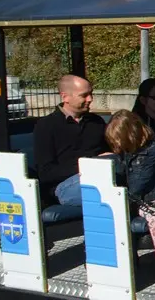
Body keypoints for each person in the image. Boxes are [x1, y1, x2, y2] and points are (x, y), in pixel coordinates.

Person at [104, 110, 155, 291]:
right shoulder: (128, 154)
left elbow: (139, 183)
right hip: (147, 205)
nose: (117, 146)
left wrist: (125, 194)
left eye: (118, 140)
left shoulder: (152, 152)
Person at [32, 75, 107, 206]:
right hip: (64, 186)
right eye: (84, 95)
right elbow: (46, 173)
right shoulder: (46, 126)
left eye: (91, 94)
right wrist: (88, 166)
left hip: (98, 176)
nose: (90, 99)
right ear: (65, 97)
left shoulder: (96, 122)